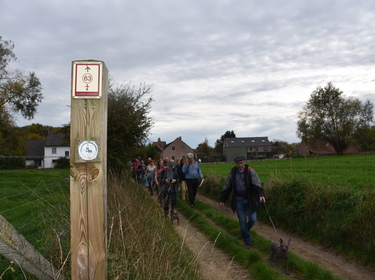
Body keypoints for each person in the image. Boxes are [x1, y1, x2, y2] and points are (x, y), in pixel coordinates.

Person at [219, 155, 266, 249]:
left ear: (244, 162)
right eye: (237, 163)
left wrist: (261, 195)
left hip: (250, 200)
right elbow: (227, 186)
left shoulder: (250, 171)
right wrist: (223, 199)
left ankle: (244, 231)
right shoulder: (233, 172)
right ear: (235, 163)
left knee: (252, 219)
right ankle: (247, 241)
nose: (239, 165)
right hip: (239, 200)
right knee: (242, 222)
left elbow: (257, 184)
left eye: (241, 163)